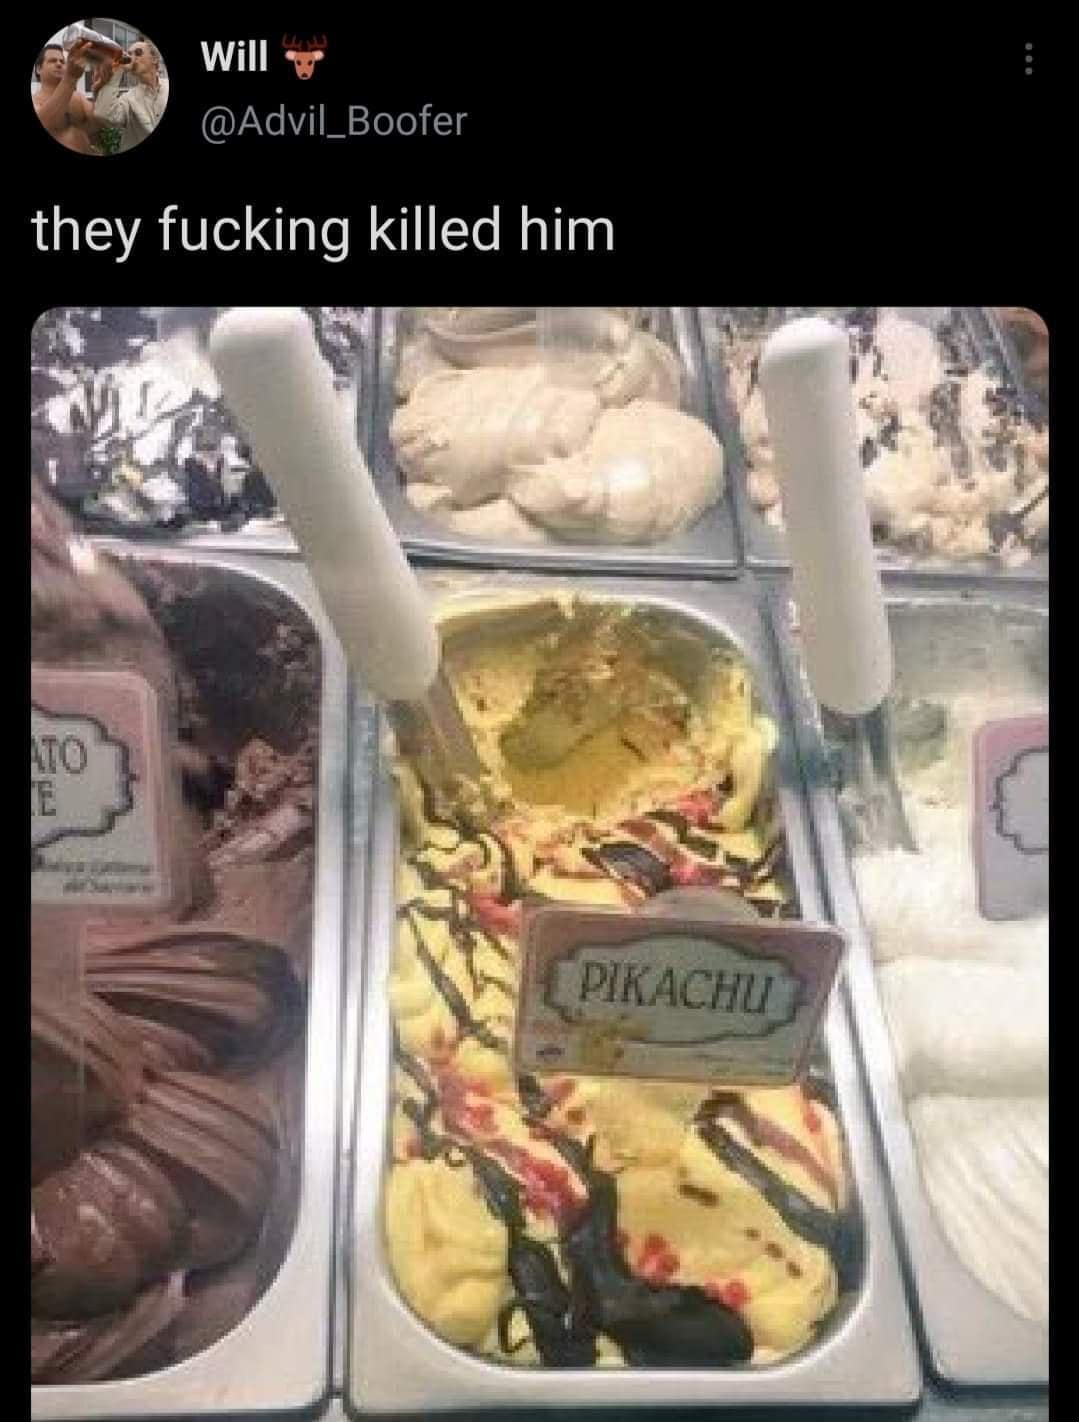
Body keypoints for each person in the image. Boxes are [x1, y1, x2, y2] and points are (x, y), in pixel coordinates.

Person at [92, 38, 168, 152]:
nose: (132, 58)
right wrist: (118, 71)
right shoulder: (129, 99)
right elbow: (103, 114)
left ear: (154, 59)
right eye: (129, 54)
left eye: (138, 52)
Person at [31, 40, 105, 154]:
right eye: (52, 61)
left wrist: (99, 91)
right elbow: (45, 124)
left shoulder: (77, 97)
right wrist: (70, 77)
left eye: (62, 61)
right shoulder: (35, 102)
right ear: (38, 69)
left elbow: (99, 122)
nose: (59, 64)